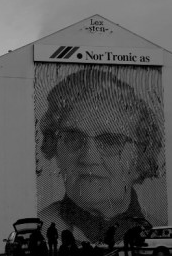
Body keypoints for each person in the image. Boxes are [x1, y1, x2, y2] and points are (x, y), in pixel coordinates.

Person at [38, 67, 164, 245]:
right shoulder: (39, 230)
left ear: (141, 158)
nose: (89, 157)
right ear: (56, 151)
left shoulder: (160, 231)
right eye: (73, 137)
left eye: (111, 141)